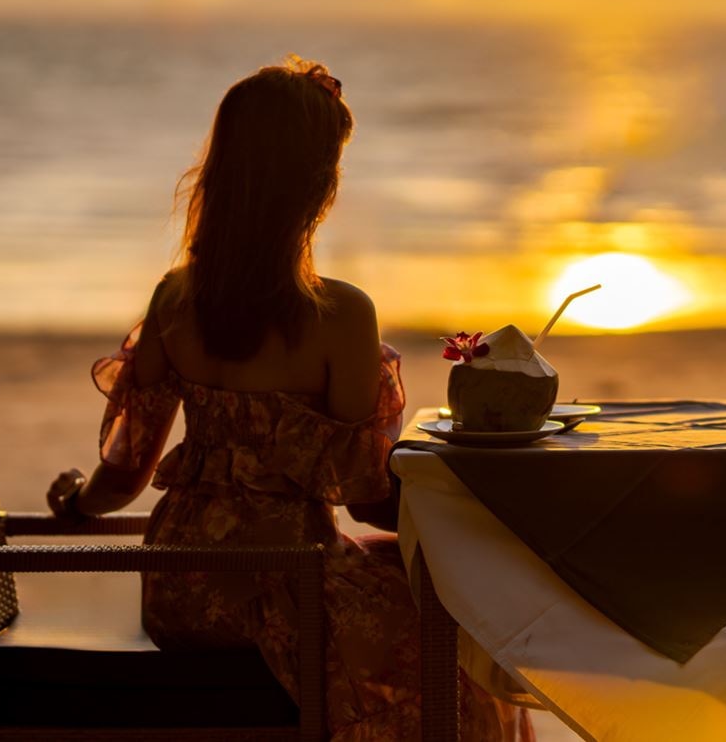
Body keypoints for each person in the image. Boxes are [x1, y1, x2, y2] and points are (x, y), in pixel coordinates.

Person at [44, 57, 535, 742]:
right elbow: (364, 496)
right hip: (290, 586)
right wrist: (463, 507)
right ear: (316, 189)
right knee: (458, 662)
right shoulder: (342, 315)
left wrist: (74, 502)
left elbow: (124, 477)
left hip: (181, 588)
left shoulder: (175, 298)